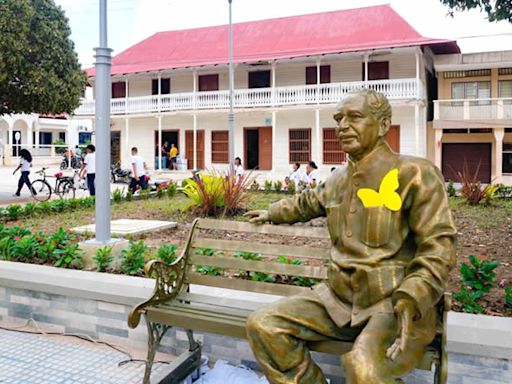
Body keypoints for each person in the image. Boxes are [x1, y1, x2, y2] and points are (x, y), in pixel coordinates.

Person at [245, 89, 457, 384]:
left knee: (363, 367)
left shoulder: (416, 174)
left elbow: (439, 246)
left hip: (393, 307)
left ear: (383, 125)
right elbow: (306, 203)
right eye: (339, 118)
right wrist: (272, 211)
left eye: (355, 117)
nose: (343, 126)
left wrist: (414, 294)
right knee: (263, 325)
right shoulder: (338, 180)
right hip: (337, 302)